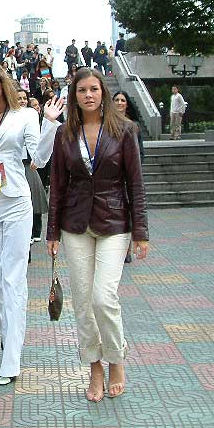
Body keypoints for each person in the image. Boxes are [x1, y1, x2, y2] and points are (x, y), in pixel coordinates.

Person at [46, 67, 149, 403]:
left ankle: (116, 359)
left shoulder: (125, 130)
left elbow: (135, 183)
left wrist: (141, 231)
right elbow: (57, 185)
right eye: (81, 90)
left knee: (104, 298)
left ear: (102, 92)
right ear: (73, 96)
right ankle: (94, 367)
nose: (88, 95)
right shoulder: (65, 134)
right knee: (83, 301)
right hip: (75, 223)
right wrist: (52, 232)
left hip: (114, 222)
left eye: (93, 89)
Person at [0, 60, 64, 386]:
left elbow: (38, 159)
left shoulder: (23, 116)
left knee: (13, 279)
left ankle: (11, 358)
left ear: (2, 83)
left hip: (16, 203)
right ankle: (10, 330)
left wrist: (49, 124)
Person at [16, 89, 48, 247]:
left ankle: (36, 231)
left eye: (24, 98)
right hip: (14, 166)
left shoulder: (32, 117)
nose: (22, 101)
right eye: (19, 98)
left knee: (35, 198)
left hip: (30, 164)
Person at [113, 91, 144, 159]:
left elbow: (140, 151)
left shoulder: (134, 125)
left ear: (127, 104)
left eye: (123, 100)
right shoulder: (106, 124)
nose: (119, 103)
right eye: (117, 100)